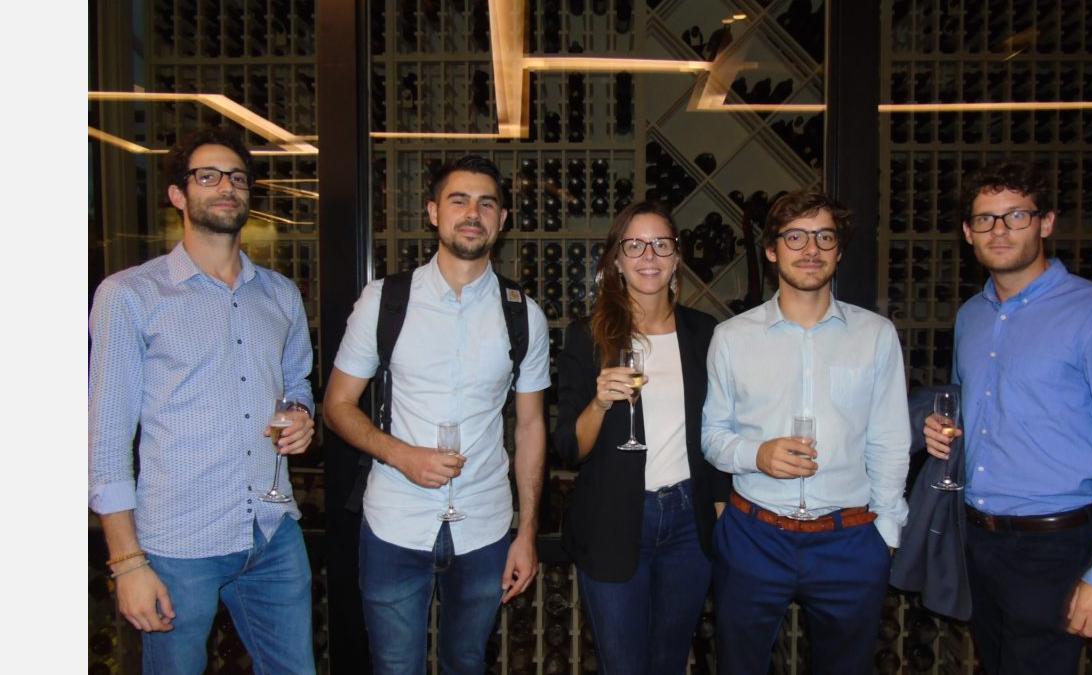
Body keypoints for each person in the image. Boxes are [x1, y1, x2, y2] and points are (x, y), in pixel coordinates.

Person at [88, 127, 318, 674]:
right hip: (178, 542)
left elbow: (297, 382)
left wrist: (301, 415)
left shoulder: (280, 294)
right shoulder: (130, 295)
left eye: (237, 177)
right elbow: (106, 440)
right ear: (178, 194)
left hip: (272, 530)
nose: (226, 186)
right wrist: (127, 562)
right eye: (208, 176)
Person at [322, 155, 550, 675]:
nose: (473, 213)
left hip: (485, 526)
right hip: (395, 523)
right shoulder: (384, 301)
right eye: (458, 200)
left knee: (466, 663)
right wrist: (401, 455)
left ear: (502, 220)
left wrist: (527, 532)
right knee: (394, 667)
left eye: (486, 204)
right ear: (433, 212)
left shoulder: (523, 314)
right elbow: (336, 405)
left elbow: (531, 427)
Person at [701, 188, 910, 675]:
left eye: (824, 237)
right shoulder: (731, 338)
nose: (811, 249)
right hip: (755, 537)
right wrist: (757, 455)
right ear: (772, 250)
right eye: (795, 236)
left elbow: (889, 439)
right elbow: (712, 435)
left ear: (839, 251)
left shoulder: (875, 335)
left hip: (849, 539)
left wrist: (886, 533)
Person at [922, 159, 1092, 675]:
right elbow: (976, 411)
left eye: (1016, 216)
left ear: (1045, 223)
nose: (999, 230)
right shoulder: (971, 316)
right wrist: (944, 430)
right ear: (968, 232)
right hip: (978, 539)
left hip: (1055, 546)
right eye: (985, 219)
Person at [552, 201, 730, 675]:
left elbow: (718, 430)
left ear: (676, 257)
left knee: (669, 661)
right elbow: (568, 447)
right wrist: (599, 403)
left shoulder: (705, 333)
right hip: (613, 518)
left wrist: (720, 508)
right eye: (634, 245)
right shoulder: (587, 336)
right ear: (616, 259)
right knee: (623, 665)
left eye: (660, 244)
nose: (648, 255)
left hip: (688, 522)